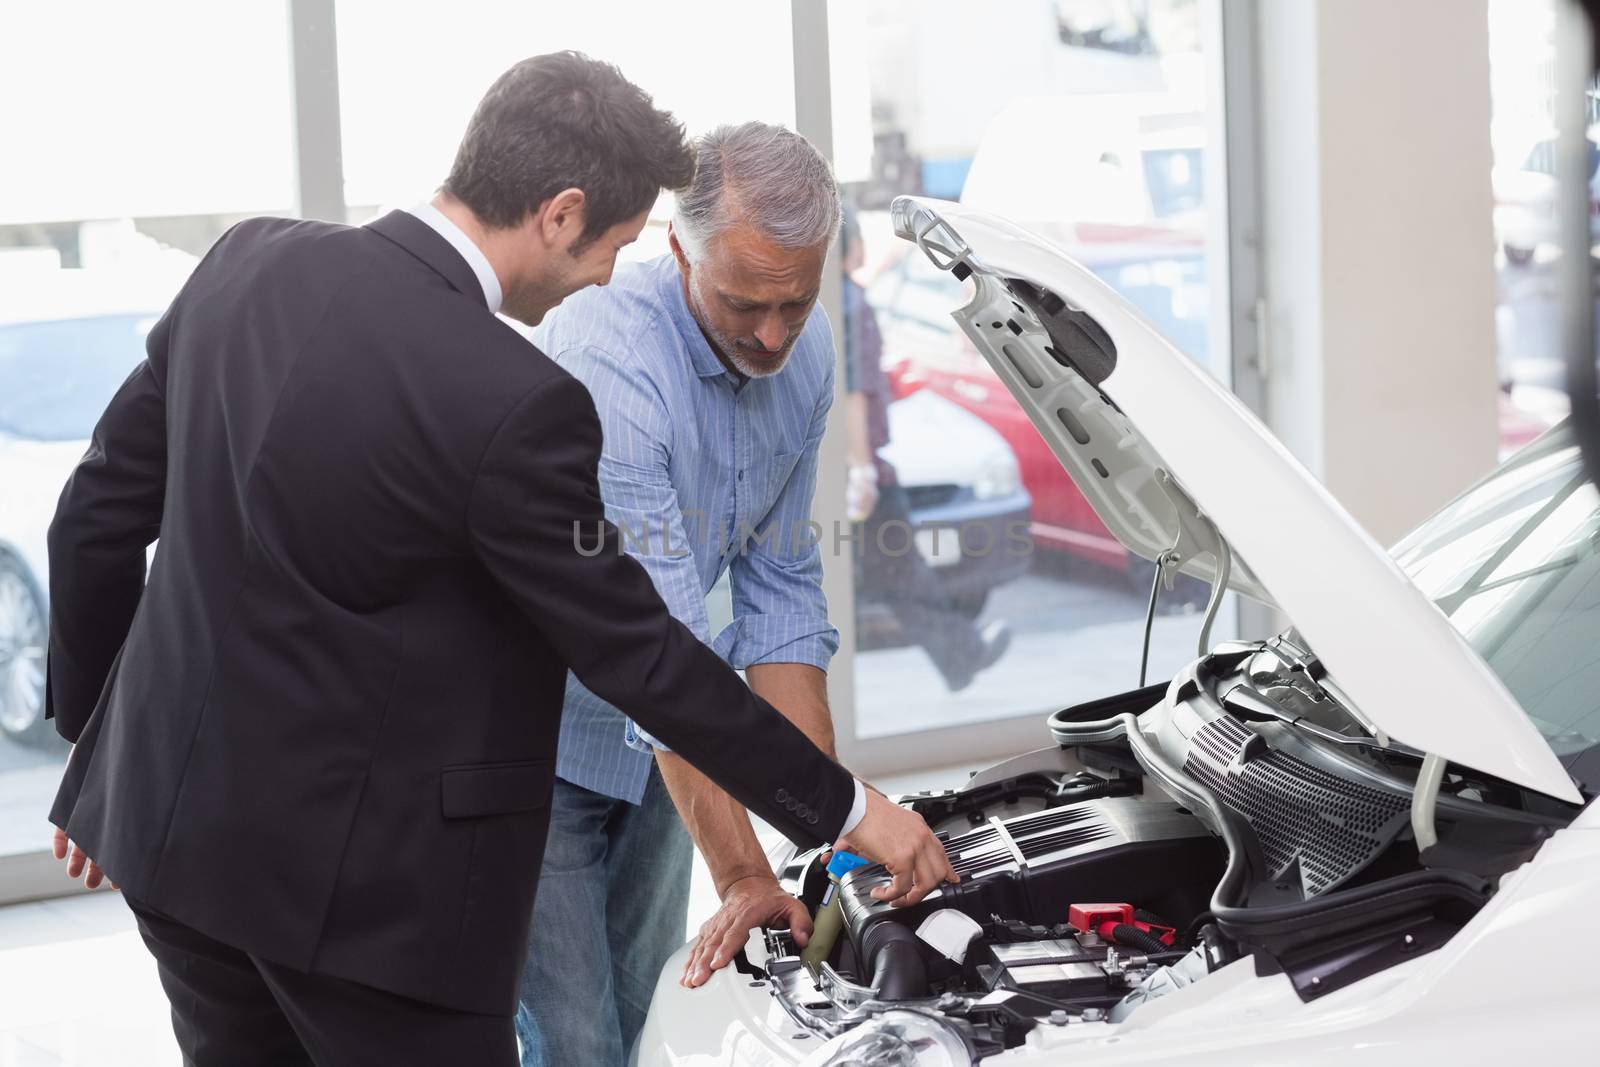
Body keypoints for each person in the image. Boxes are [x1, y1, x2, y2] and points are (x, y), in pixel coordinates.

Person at [43, 53, 955, 1066]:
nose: (613, 272)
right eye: (612, 243)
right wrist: (848, 807)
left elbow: (93, 516)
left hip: (178, 852)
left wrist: (99, 752)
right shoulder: (516, 395)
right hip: (369, 908)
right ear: (560, 214)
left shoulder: (244, 262)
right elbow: (638, 653)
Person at [515, 121, 856, 1067]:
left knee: (651, 1015)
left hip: (669, 748)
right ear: (677, 247)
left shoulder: (807, 352)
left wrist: (823, 840)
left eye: (797, 298)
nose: (774, 333)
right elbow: (657, 645)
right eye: (746, 302)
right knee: (575, 1044)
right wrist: (744, 868)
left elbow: (781, 594)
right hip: (537, 747)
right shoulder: (607, 358)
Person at [839, 205, 1012, 692]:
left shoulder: (829, 303)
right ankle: (962, 656)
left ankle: (960, 657)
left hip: (856, 466)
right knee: (900, 572)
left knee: (894, 573)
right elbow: (854, 392)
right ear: (850, 248)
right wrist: (862, 470)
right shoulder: (850, 303)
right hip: (863, 468)